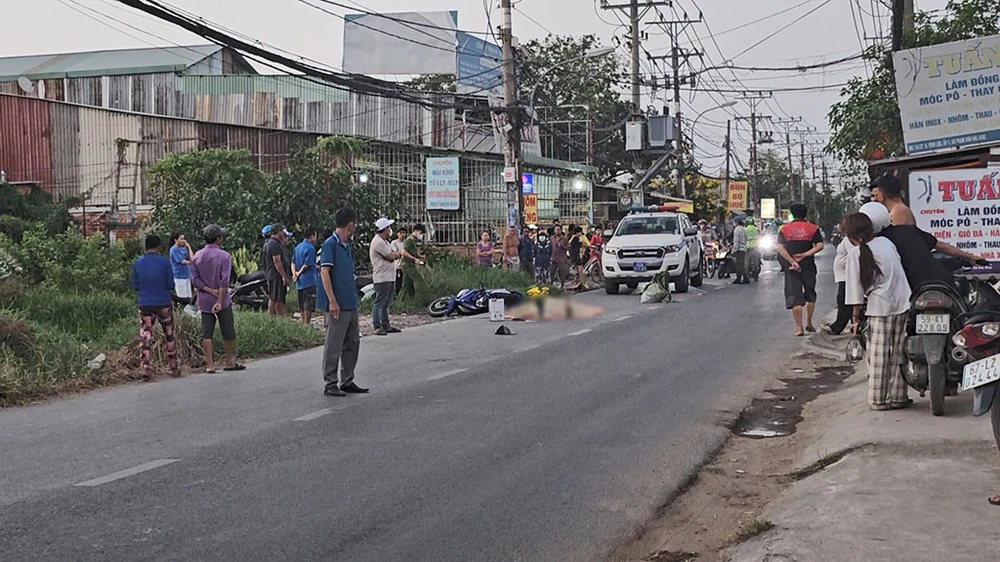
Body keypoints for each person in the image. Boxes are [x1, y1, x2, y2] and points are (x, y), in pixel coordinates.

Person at [841, 212, 912, 411]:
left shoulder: (855, 254)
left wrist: (855, 321)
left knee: (879, 355)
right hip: (902, 302)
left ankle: (878, 399)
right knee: (899, 352)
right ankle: (898, 397)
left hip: (879, 308)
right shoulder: (886, 243)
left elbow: (855, 293)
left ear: (849, 235)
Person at [318, 208, 367, 397]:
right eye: (355, 223)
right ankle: (330, 382)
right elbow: (324, 272)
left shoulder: (346, 245)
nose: (355, 227)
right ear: (350, 224)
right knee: (334, 344)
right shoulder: (331, 244)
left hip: (350, 302)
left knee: (352, 343)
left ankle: (348, 379)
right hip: (338, 303)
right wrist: (332, 300)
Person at [191, 224, 244, 374]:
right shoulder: (224, 256)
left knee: (206, 331)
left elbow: (195, 280)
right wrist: (219, 299)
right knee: (227, 330)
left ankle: (210, 364)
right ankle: (229, 362)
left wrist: (209, 290)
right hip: (223, 299)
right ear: (218, 238)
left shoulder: (197, 256)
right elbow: (224, 280)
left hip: (205, 299)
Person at [132, 234, 179, 377]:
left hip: (145, 303)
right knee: (169, 334)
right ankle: (173, 366)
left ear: (145, 247)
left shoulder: (137, 263)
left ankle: (145, 367)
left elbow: (135, 286)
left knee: (145, 336)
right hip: (163, 302)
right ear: (158, 247)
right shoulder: (165, 263)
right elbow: (171, 284)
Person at [776, 203, 825, 336]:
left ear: (792, 214)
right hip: (809, 265)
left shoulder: (785, 229)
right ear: (806, 214)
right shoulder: (813, 228)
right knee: (810, 293)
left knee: (794, 295)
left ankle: (799, 328)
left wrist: (792, 261)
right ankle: (809, 323)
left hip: (791, 267)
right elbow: (820, 245)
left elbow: (780, 247)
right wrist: (805, 254)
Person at [369, 218, 402, 336]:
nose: (389, 230)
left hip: (389, 276)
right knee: (380, 302)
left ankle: (386, 324)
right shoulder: (378, 242)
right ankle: (377, 325)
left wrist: (396, 254)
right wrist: (397, 254)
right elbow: (391, 256)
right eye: (388, 228)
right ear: (384, 229)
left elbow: (394, 253)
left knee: (386, 302)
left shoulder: (386, 242)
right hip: (382, 277)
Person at [823, 234, 855, 336]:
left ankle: (837, 327)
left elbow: (854, 254)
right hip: (845, 276)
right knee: (845, 301)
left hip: (848, 276)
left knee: (843, 301)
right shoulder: (847, 239)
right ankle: (854, 325)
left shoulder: (850, 240)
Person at [262, 224, 292, 317]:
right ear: (278, 232)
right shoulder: (274, 244)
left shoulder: (271, 243)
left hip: (273, 274)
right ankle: (280, 317)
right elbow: (277, 261)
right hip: (276, 275)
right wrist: (284, 276)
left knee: (274, 297)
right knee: (277, 298)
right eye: (282, 232)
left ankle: (274, 317)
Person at [292, 227, 319, 326]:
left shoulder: (298, 247)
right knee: (308, 303)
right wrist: (299, 272)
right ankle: (307, 323)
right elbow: (307, 264)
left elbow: (293, 262)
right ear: (312, 236)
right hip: (309, 280)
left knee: (301, 302)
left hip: (300, 282)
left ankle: (303, 321)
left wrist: (294, 273)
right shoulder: (311, 248)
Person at [168, 232, 197, 316]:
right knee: (181, 297)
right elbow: (181, 261)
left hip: (187, 276)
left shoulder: (184, 248)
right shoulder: (174, 249)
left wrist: (189, 247)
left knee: (188, 297)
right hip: (179, 276)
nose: (183, 240)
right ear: (176, 240)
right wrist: (190, 262)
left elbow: (192, 257)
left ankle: (188, 314)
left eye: (184, 238)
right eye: (181, 238)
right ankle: (180, 314)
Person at [400, 224, 426, 298]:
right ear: (416, 231)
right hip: (407, 265)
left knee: (406, 285)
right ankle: (425, 298)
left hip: (409, 264)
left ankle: (400, 301)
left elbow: (411, 252)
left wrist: (419, 256)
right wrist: (414, 259)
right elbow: (403, 252)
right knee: (420, 280)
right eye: (420, 233)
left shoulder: (413, 241)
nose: (421, 235)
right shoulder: (409, 241)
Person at [732, 216, 749, 285]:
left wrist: (734, 250)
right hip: (743, 248)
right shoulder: (743, 229)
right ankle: (739, 278)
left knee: (739, 265)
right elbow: (745, 239)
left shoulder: (737, 229)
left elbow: (736, 241)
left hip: (739, 249)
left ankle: (745, 278)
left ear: (736, 222)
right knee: (741, 264)